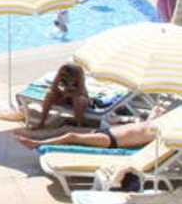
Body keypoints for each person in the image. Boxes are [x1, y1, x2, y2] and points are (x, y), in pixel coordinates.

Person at [15, 113, 168, 149]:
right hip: (108, 131)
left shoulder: (161, 131)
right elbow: (151, 118)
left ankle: (36, 143)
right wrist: (155, 113)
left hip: (111, 140)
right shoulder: (153, 123)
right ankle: (36, 136)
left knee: (71, 136)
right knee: (68, 128)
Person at [27, 62, 92, 129]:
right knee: (50, 94)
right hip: (65, 94)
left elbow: (80, 91)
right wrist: (63, 95)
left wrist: (68, 94)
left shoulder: (79, 72)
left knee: (79, 100)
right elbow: (53, 87)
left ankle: (79, 125)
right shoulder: (62, 70)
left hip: (78, 95)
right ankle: (41, 123)